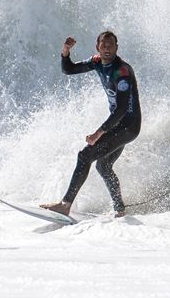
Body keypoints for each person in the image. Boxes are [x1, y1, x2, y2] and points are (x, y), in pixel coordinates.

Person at [40, 31, 142, 218]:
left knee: (85, 155)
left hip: (128, 125)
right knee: (103, 166)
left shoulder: (123, 71)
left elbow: (120, 110)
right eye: (104, 45)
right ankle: (120, 210)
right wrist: (65, 51)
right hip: (118, 125)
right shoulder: (96, 62)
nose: (107, 48)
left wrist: (98, 134)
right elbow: (68, 69)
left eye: (111, 45)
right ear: (97, 47)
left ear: (117, 47)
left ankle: (65, 204)